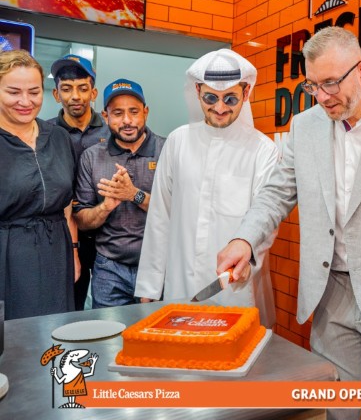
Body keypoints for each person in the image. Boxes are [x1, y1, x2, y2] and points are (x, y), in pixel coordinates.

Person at [217, 26, 361, 420]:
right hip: (329, 295)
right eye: (312, 85)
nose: (322, 96)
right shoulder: (305, 126)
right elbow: (276, 193)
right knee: (337, 412)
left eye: (330, 83)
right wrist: (245, 239)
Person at [134, 49, 278, 327]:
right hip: (179, 283)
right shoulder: (177, 142)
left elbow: (266, 220)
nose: (220, 108)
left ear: (246, 93)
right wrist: (150, 285)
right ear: (198, 91)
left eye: (230, 99)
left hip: (234, 287)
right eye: (211, 98)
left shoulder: (263, 150)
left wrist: (247, 262)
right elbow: (160, 216)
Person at [73, 79, 165, 308]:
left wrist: (134, 194)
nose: (127, 120)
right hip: (109, 269)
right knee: (109, 331)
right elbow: (81, 220)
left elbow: (180, 211)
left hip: (159, 265)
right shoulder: (92, 157)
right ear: (105, 116)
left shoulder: (167, 150)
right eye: (117, 113)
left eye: (134, 111)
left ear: (145, 112)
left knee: (157, 329)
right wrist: (105, 207)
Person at [0, 49, 78, 320]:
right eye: (13, 92)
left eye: (34, 92)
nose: (25, 101)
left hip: (56, 251)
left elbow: (67, 203)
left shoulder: (58, 137)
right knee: (13, 334)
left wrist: (74, 252)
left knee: (56, 329)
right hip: (8, 252)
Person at [47, 53, 109, 311]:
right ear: (56, 94)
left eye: (83, 88)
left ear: (93, 93)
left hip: (105, 233)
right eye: (67, 88)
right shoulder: (46, 133)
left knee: (107, 309)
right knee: (68, 308)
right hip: (62, 235)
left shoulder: (111, 131)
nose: (75, 96)